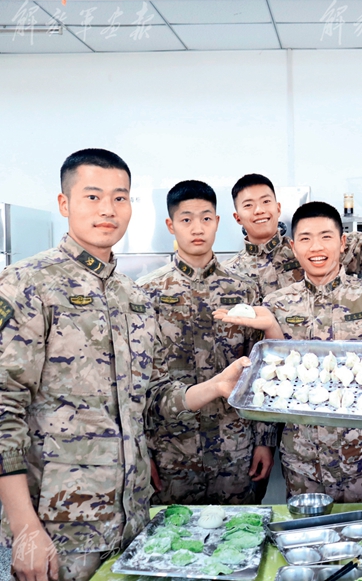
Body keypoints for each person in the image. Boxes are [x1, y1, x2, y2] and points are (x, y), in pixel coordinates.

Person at [0, 149, 247, 581]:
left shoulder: (132, 297)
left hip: (133, 521)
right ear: (64, 204)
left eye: (119, 198)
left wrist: (214, 387)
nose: (108, 210)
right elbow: (4, 409)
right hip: (60, 528)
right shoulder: (26, 285)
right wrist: (24, 528)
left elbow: (148, 399)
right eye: (93, 196)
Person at [217, 202, 362, 503]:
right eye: (305, 238)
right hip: (302, 460)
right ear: (294, 247)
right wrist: (265, 442)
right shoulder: (276, 305)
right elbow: (265, 380)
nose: (316, 247)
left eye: (325, 236)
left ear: (342, 243)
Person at [138, 180, 273, 506]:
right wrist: (142, 451)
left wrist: (264, 440)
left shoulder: (243, 289)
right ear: (171, 225)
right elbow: (137, 381)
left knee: (240, 531)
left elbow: (261, 368)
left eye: (206, 218)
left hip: (234, 447)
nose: (197, 228)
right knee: (173, 533)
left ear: (217, 221)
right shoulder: (146, 292)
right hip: (171, 450)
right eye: (186, 219)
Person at [222, 159, 362, 297]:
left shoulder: (317, 248)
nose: (259, 210)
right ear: (237, 217)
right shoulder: (229, 273)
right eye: (248, 205)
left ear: (278, 208)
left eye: (266, 201)